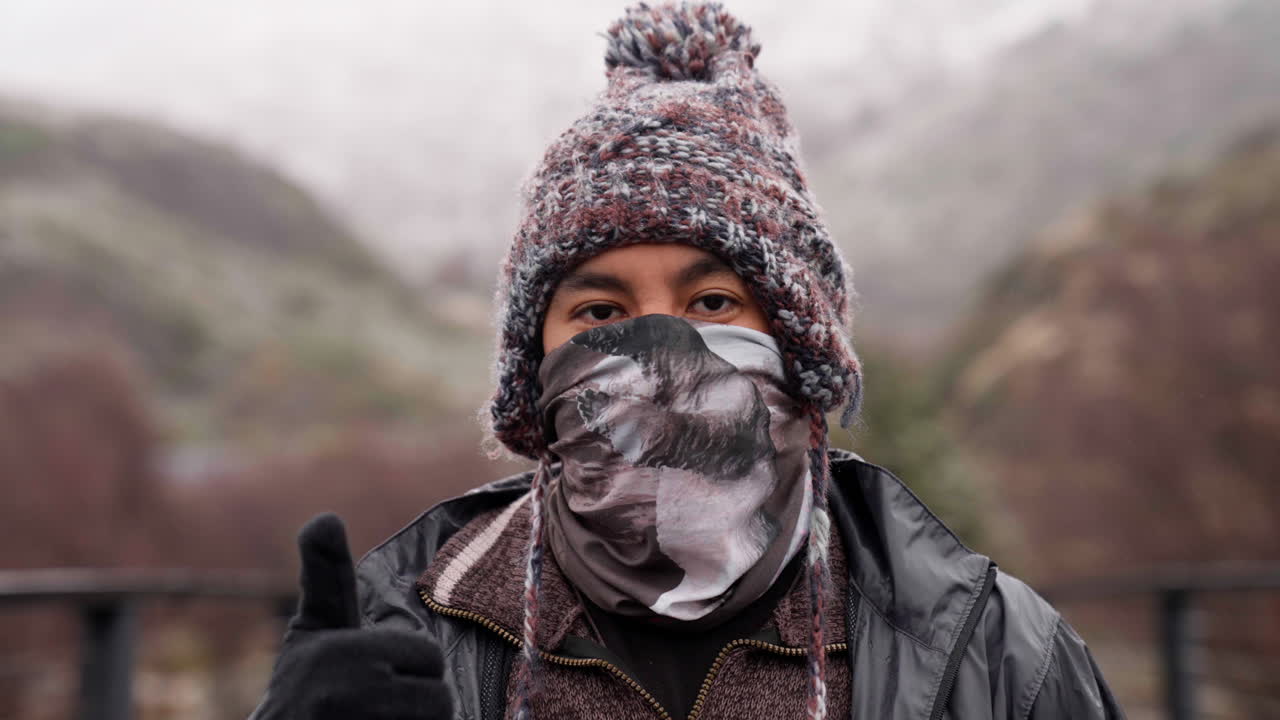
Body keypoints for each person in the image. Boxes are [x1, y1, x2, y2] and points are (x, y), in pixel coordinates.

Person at [251, 3, 1125, 719]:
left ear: (798, 345)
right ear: (535, 370)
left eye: (713, 304)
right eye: (600, 312)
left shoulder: (993, 654)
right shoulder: (403, 636)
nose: (661, 354)